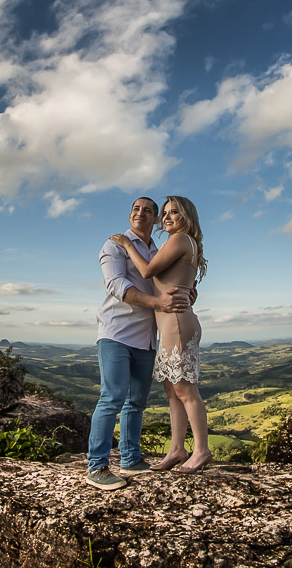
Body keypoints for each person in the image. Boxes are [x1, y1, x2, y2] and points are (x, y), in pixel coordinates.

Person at [86, 197, 191, 491]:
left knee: (137, 402)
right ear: (130, 214)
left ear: (156, 218)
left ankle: (130, 458)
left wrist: (187, 293)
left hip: (147, 338)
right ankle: (97, 465)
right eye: (135, 208)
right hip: (115, 333)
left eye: (148, 210)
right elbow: (116, 285)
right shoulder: (114, 245)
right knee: (112, 398)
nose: (140, 213)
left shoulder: (158, 251)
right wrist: (157, 301)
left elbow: (172, 282)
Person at [109, 195, 210, 474]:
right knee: (171, 389)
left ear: (187, 216)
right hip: (169, 324)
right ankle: (177, 449)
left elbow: (148, 270)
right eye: (164, 213)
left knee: (184, 389)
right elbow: (171, 281)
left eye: (174, 212)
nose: (167, 217)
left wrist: (127, 243)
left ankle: (201, 450)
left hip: (176, 323)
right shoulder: (179, 242)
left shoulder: (180, 239)